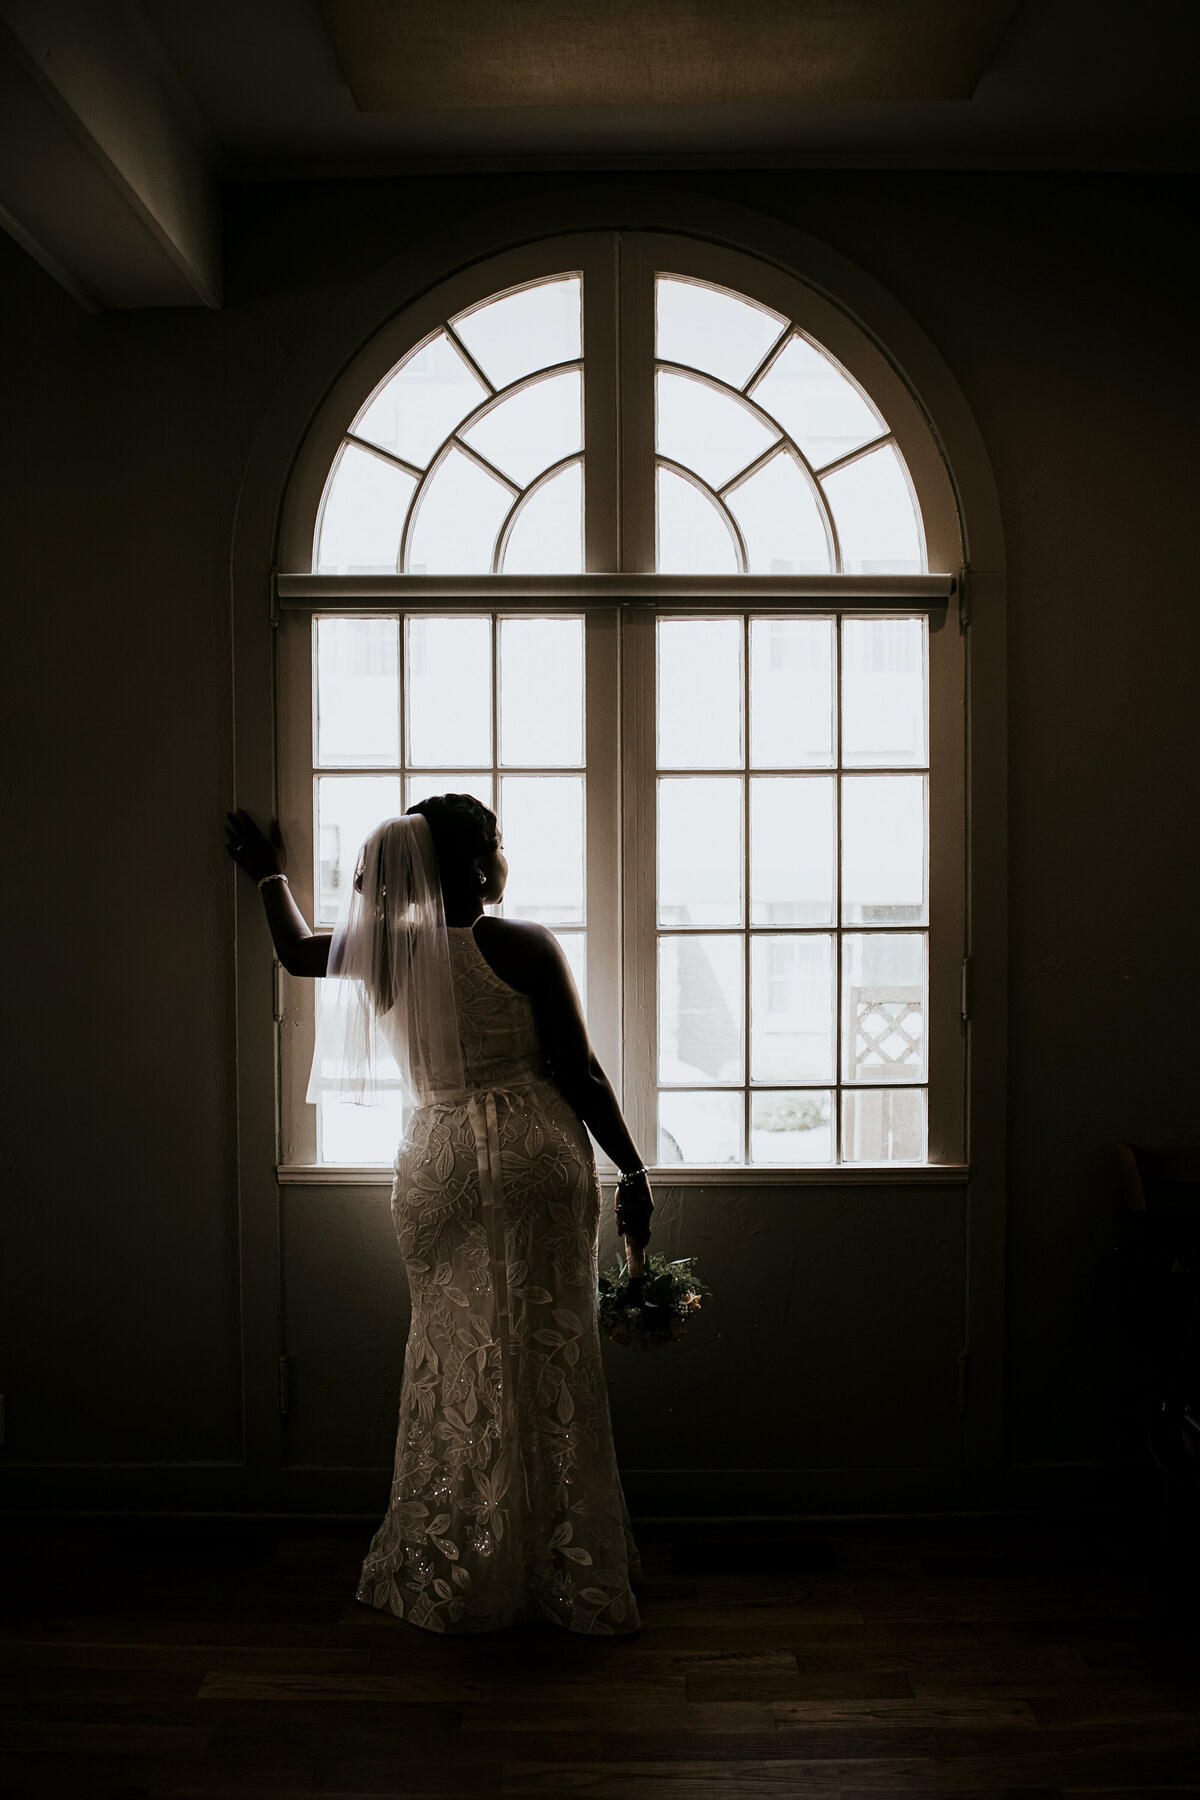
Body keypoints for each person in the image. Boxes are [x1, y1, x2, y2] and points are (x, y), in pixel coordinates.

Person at [225, 795, 655, 1635]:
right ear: (479, 860)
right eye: (497, 842)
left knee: (453, 1354)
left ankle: (463, 1557)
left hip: (442, 1159)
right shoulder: (521, 945)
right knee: (551, 1352)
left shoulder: (389, 951)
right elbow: (582, 1071)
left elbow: (293, 950)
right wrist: (633, 1167)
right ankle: (565, 1563)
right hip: (535, 1154)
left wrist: (267, 873)